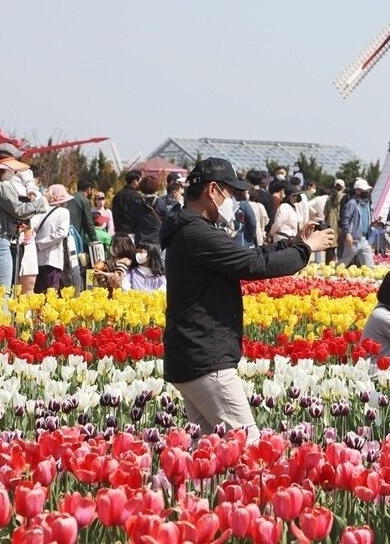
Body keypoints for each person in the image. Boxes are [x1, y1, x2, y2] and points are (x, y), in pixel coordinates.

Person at [161, 157, 334, 440]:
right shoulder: (196, 233)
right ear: (213, 190)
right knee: (249, 446)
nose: (233, 200)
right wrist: (305, 251)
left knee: (208, 452)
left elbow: (249, 255)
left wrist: (293, 243)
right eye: (230, 193)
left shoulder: (190, 229)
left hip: (193, 355)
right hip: (207, 358)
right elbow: (253, 265)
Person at [0, 156, 47, 297]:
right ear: (1, 170)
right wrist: (41, 202)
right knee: (2, 293)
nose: (13, 173)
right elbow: (19, 210)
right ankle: (2, 320)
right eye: (10, 170)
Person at [32, 185, 73, 293]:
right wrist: (41, 243)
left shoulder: (40, 210)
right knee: (50, 296)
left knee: (38, 296)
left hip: (37, 259)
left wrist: (37, 244)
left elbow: (31, 228)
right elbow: (62, 232)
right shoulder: (64, 212)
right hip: (53, 259)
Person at [340, 179, 375, 266]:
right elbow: (345, 219)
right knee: (344, 262)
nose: (366, 192)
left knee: (370, 264)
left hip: (364, 239)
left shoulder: (366, 204)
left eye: (367, 190)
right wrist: (347, 234)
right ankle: (334, 275)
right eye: (364, 190)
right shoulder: (352, 203)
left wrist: (372, 223)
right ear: (357, 191)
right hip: (353, 239)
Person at [132, 176, 163, 245]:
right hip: (157, 239)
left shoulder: (137, 202)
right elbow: (167, 221)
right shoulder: (161, 203)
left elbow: (133, 222)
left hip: (140, 240)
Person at [111, 170, 143, 237]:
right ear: (134, 181)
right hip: (132, 233)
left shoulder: (117, 196)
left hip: (118, 234)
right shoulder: (137, 196)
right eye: (140, 181)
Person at [68, 180, 98, 247]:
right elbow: (88, 223)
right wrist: (95, 239)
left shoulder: (69, 197)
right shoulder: (84, 200)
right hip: (76, 236)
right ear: (89, 189)